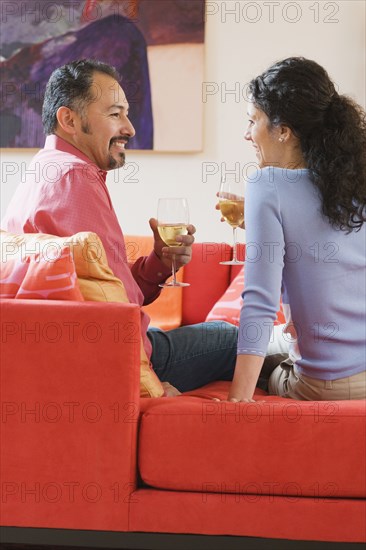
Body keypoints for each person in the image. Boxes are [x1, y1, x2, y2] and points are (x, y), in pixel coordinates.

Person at [2, 58, 288, 396]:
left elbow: (106, 288)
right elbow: (114, 313)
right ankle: (309, 376)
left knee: (219, 334)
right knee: (235, 336)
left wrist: (157, 262)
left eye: (125, 113)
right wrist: (149, 387)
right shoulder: (74, 178)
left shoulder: (44, 169)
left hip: (80, 353)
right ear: (69, 119)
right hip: (126, 360)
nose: (130, 128)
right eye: (114, 114)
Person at [228, 57, 366, 402]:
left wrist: (237, 402)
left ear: (283, 130)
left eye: (253, 120)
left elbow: (260, 301)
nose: (247, 133)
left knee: (219, 345)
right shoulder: (354, 181)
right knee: (275, 337)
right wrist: (256, 221)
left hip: (325, 386)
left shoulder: (266, 184)